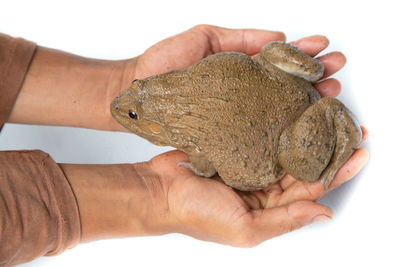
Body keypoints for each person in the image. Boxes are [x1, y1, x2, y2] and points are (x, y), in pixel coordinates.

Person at [0, 25, 369, 266]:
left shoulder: (196, 141)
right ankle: (323, 108)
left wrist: (182, 182)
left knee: (302, 164)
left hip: (287, 137)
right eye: (134, 105)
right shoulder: (190, 80)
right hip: (279, 75)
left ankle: (334, 118)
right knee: (277, 56)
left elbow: (206, 167)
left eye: (136, 87)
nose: (126, 100)